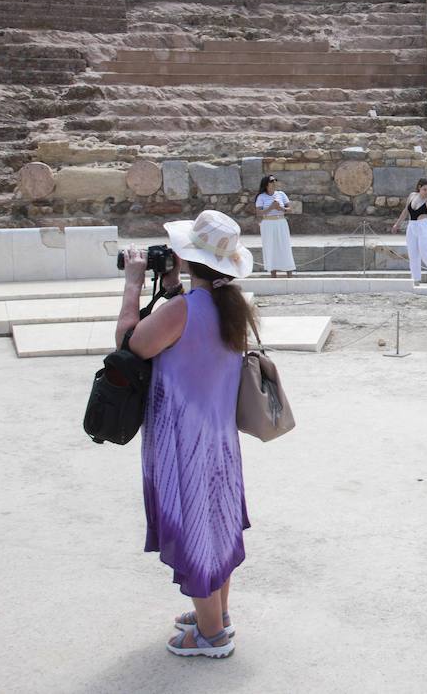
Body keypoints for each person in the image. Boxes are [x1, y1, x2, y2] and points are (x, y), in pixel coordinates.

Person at [114, 210, 258, 659]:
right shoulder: (233, 307)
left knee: (196, 532)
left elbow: (128, 344)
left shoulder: (182, 311)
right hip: (218, 442)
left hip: (183, 443)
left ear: (186, 256)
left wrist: (134, 283)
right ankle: (217, 614)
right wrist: (176, 289)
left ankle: (212, 637)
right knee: (216, 528)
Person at [391, 178, 427, 286]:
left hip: (424, 227)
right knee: (413, 254)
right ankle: (416, 280)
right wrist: (397, 224)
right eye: (425, 189)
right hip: (411, 227)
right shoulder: (412, 196)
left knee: (425, 254)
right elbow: (405, 211)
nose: (426, 192)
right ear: (419, 187)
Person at [254, 176, 296, 277]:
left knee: (284, 246)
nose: (274, 182)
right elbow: (258, 213)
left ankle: (289, 274)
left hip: (281, 222)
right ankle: (273, 275)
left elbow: (290, 209)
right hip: (268, 223)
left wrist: (281, 208)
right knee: (270, 247)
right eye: (271, 181)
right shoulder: (261, 197)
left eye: (275, 180)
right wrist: (271, 207)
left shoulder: (281, 194)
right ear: (266, 184)